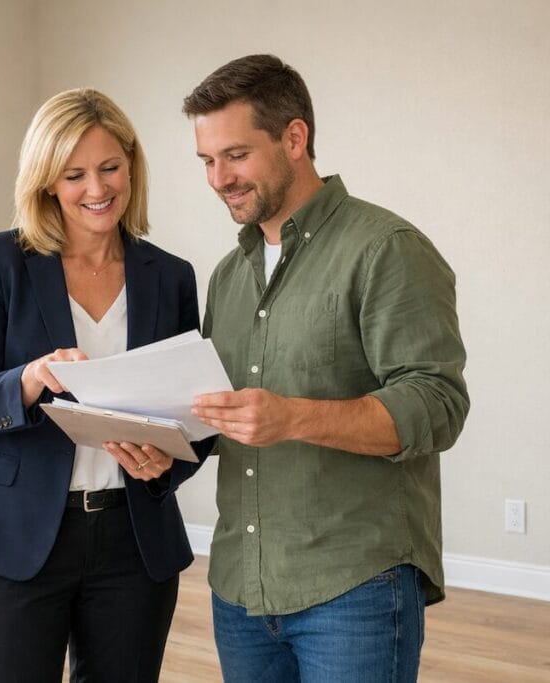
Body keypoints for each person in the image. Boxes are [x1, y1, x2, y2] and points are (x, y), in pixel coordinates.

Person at [181, 55, 469, 682]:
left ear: (294, 137)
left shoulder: (385, 249)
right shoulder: (229, 277)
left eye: (235, 155)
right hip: (240, 586)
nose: (219, 178)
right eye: (206, 161)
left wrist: (292, 417)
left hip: (355, 587)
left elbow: (437, 404)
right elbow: (219, 414)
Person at [0, 88, 211, 682]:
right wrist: (30, 379)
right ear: (46, 183)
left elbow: (197, 412)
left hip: (132, 545)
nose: (97, 188)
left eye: (110, 167)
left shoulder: (171, 277)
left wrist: (166, 464)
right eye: (74, 174)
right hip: (13, 536)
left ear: (131, 166)